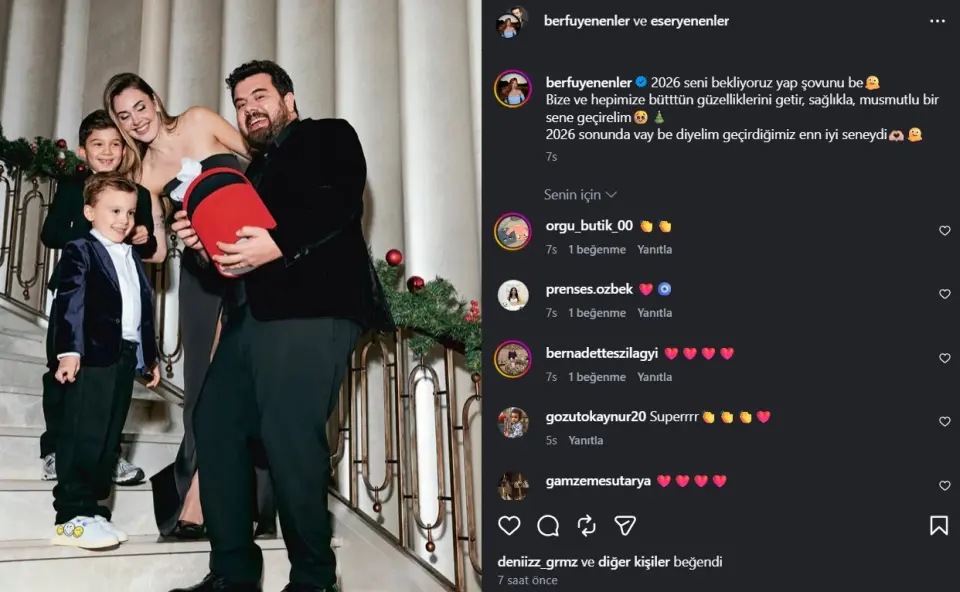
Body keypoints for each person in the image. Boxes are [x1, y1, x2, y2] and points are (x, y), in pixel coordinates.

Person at [169, 60, 393, 592]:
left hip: (314, 310)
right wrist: (200, 245)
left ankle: (314, 580)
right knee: (215, 425)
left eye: (260, 96)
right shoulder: (251, 174)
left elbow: (340, 198)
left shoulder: (328, 135)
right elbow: (231, 259)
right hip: (249, 319)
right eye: (241, 104)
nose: (249, 109)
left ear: (288, 100)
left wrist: (280, 241)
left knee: (291, 441)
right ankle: (233, 574)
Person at [103, 73, 275, 540]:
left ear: (155, 100)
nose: (136, 120)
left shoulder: (199, 120)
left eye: (140, 107)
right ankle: (200, 496)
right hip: (202, 274)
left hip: (252, 259)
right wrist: (136, 236)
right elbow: (159, 251)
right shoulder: (144, 176)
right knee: (203, 386)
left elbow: (262, 157)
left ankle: (222, 498)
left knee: (244, 379)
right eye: (124, 116)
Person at [38, 109, 161, 486]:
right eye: (98, 145)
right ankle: (54, 450)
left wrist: (141, 235)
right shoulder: (73, 189)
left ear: (125, 150)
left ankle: (109, 456)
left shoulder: (137, 195)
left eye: (115, 144)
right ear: (83, 151)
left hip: (114, 305)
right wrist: (93, 230)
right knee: (62, 373)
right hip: (74, 295)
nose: (107, 152)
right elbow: (50, 234)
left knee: (112, 383)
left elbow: (150, 247)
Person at [48, 172, 161, 549]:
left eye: (130, 212)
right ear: (89, 212)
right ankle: (70, 516)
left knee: (109, 436)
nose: (124, 220)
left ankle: (93, 507)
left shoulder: (131, 256)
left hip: (124, 355)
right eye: (114, 211)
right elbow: (70, 302)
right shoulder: (81, 249)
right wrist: (69, 351)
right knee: (85, 432)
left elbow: (141, 312)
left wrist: (149, 357)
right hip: (90, 356)